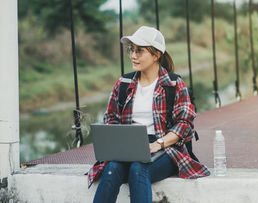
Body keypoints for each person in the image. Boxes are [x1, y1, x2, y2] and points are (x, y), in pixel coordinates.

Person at [88, 26, 210, 203]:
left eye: (139, 51)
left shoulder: (174, 84)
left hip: (165, 147)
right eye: (131, 50)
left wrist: (158, 144)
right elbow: (111, 118)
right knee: (110, 169)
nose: (133, 56)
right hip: (128, 146)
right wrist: (115, 143)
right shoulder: (123, 83)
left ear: (156, 55)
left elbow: (185, 123)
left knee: (138, 170)